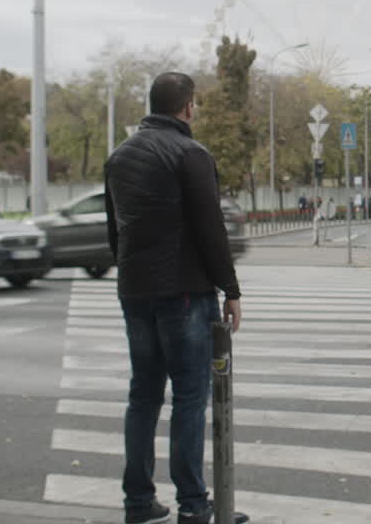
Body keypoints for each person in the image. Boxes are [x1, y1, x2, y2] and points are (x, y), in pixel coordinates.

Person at [104, 72, 248, 524]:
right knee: (189, 396)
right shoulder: (191, 153)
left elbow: (116, 230)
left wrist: (131, 272)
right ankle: (193, 504)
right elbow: (210, 229)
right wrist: (232, 289)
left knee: (143, 395)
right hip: (184, 291)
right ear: (187, 107)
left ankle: (138, 501)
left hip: (135, 288)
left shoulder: (119, 157)